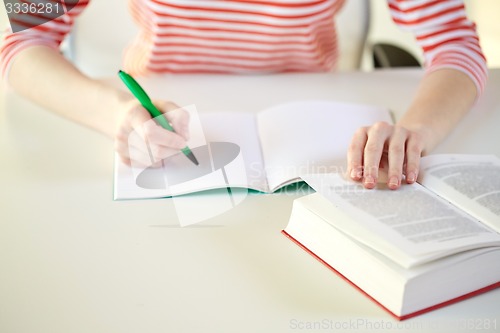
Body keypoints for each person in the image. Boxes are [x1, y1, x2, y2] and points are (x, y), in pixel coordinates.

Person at [0, 0, 487, 190]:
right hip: (161, 113)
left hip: (308, 124)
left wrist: (416, 131)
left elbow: (455, 42)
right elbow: (21, 37)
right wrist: (117, 114)